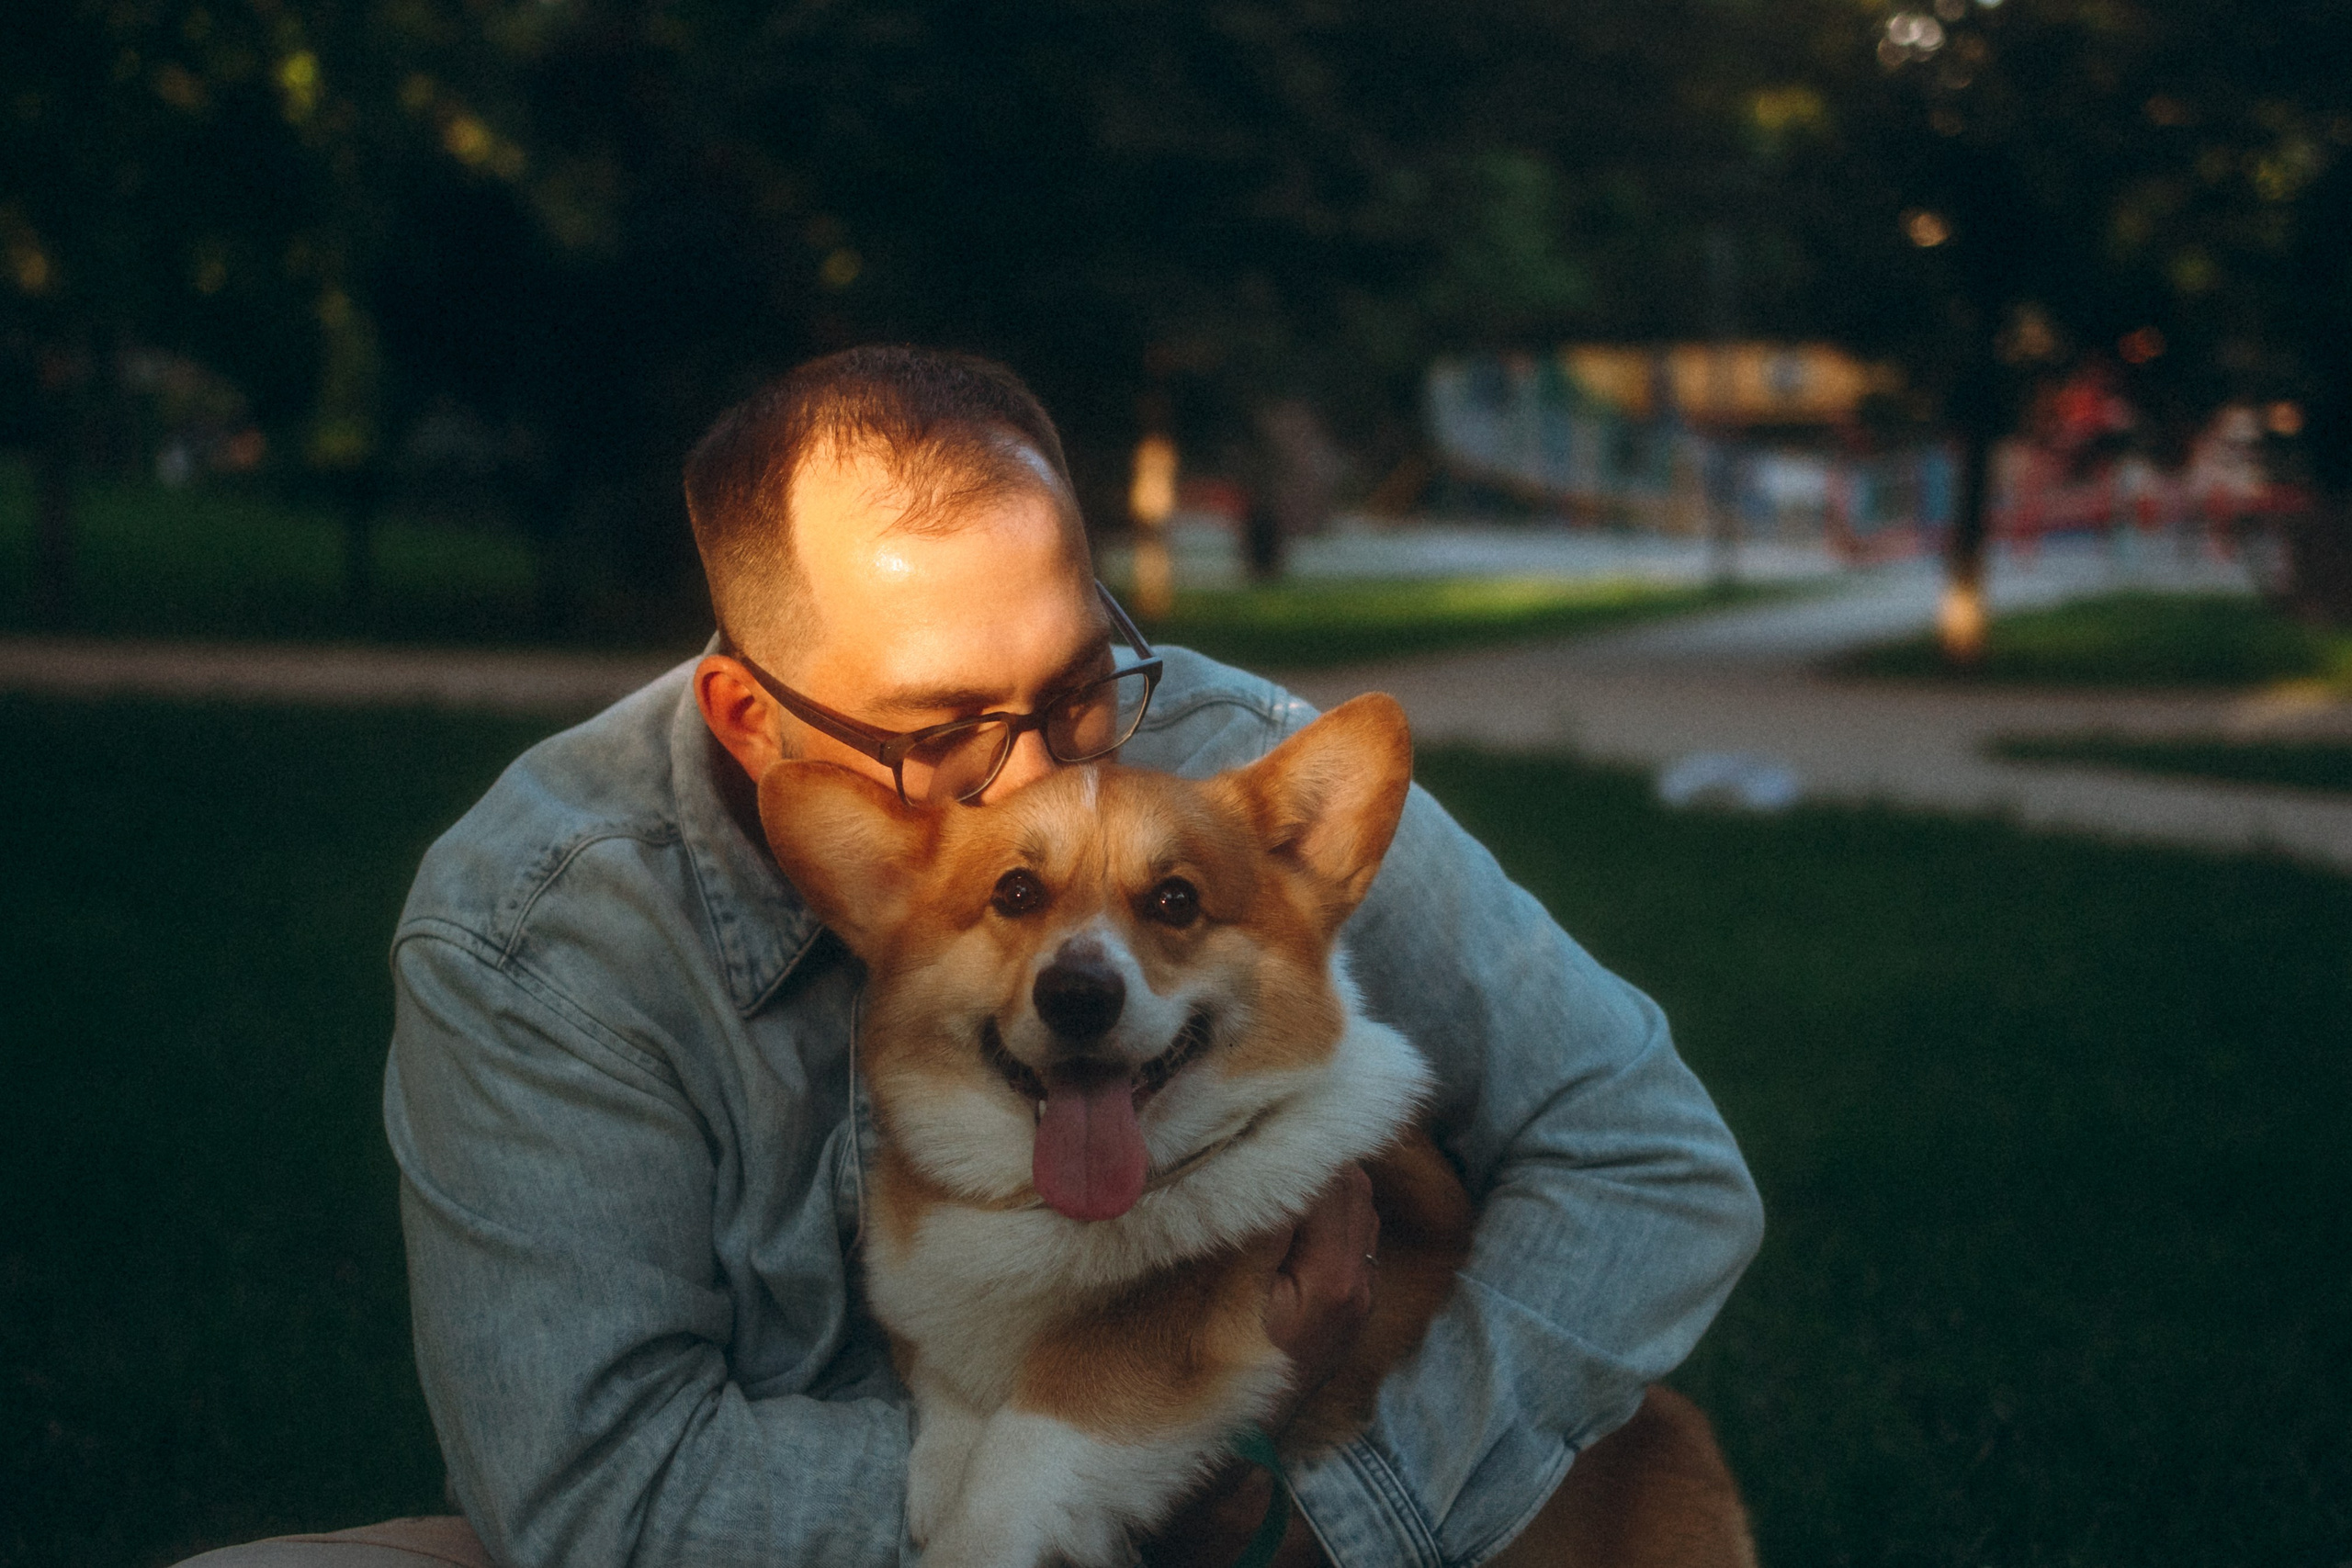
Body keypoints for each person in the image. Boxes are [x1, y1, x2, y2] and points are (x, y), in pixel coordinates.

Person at [179, 346, 1762, 1568]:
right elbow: (604, 1498)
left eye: (1075, 683)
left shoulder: (1214, 775)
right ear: (753, 716)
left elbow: (1654, 1161)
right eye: (946, 733)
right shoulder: (537, 931)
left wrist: (1343, 1518)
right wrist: (1105, 1483)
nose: (1037, 797)